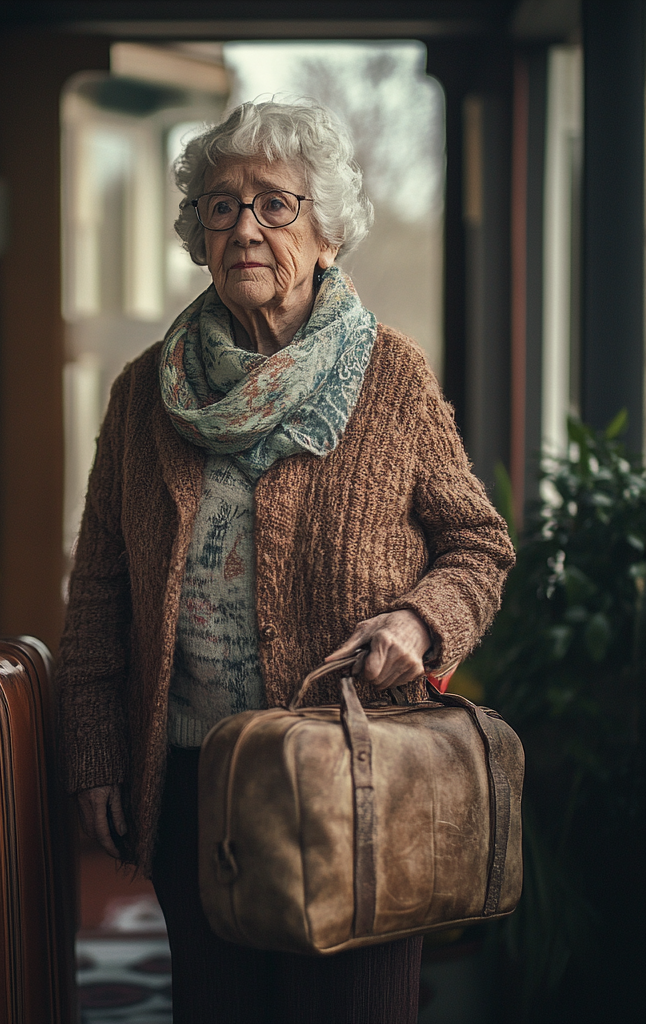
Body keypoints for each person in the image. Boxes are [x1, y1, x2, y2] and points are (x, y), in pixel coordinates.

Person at [56, 100, 514, 1024]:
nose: (246, 227)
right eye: (221, 207)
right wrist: (98, 754)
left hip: (357, 782)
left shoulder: (392, 376)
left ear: (327, 233)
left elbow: (479, 545)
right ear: (197, 236)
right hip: (198, 784)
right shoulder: (145, 392)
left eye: (276, 204)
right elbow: (100, 590)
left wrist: (419, 622)